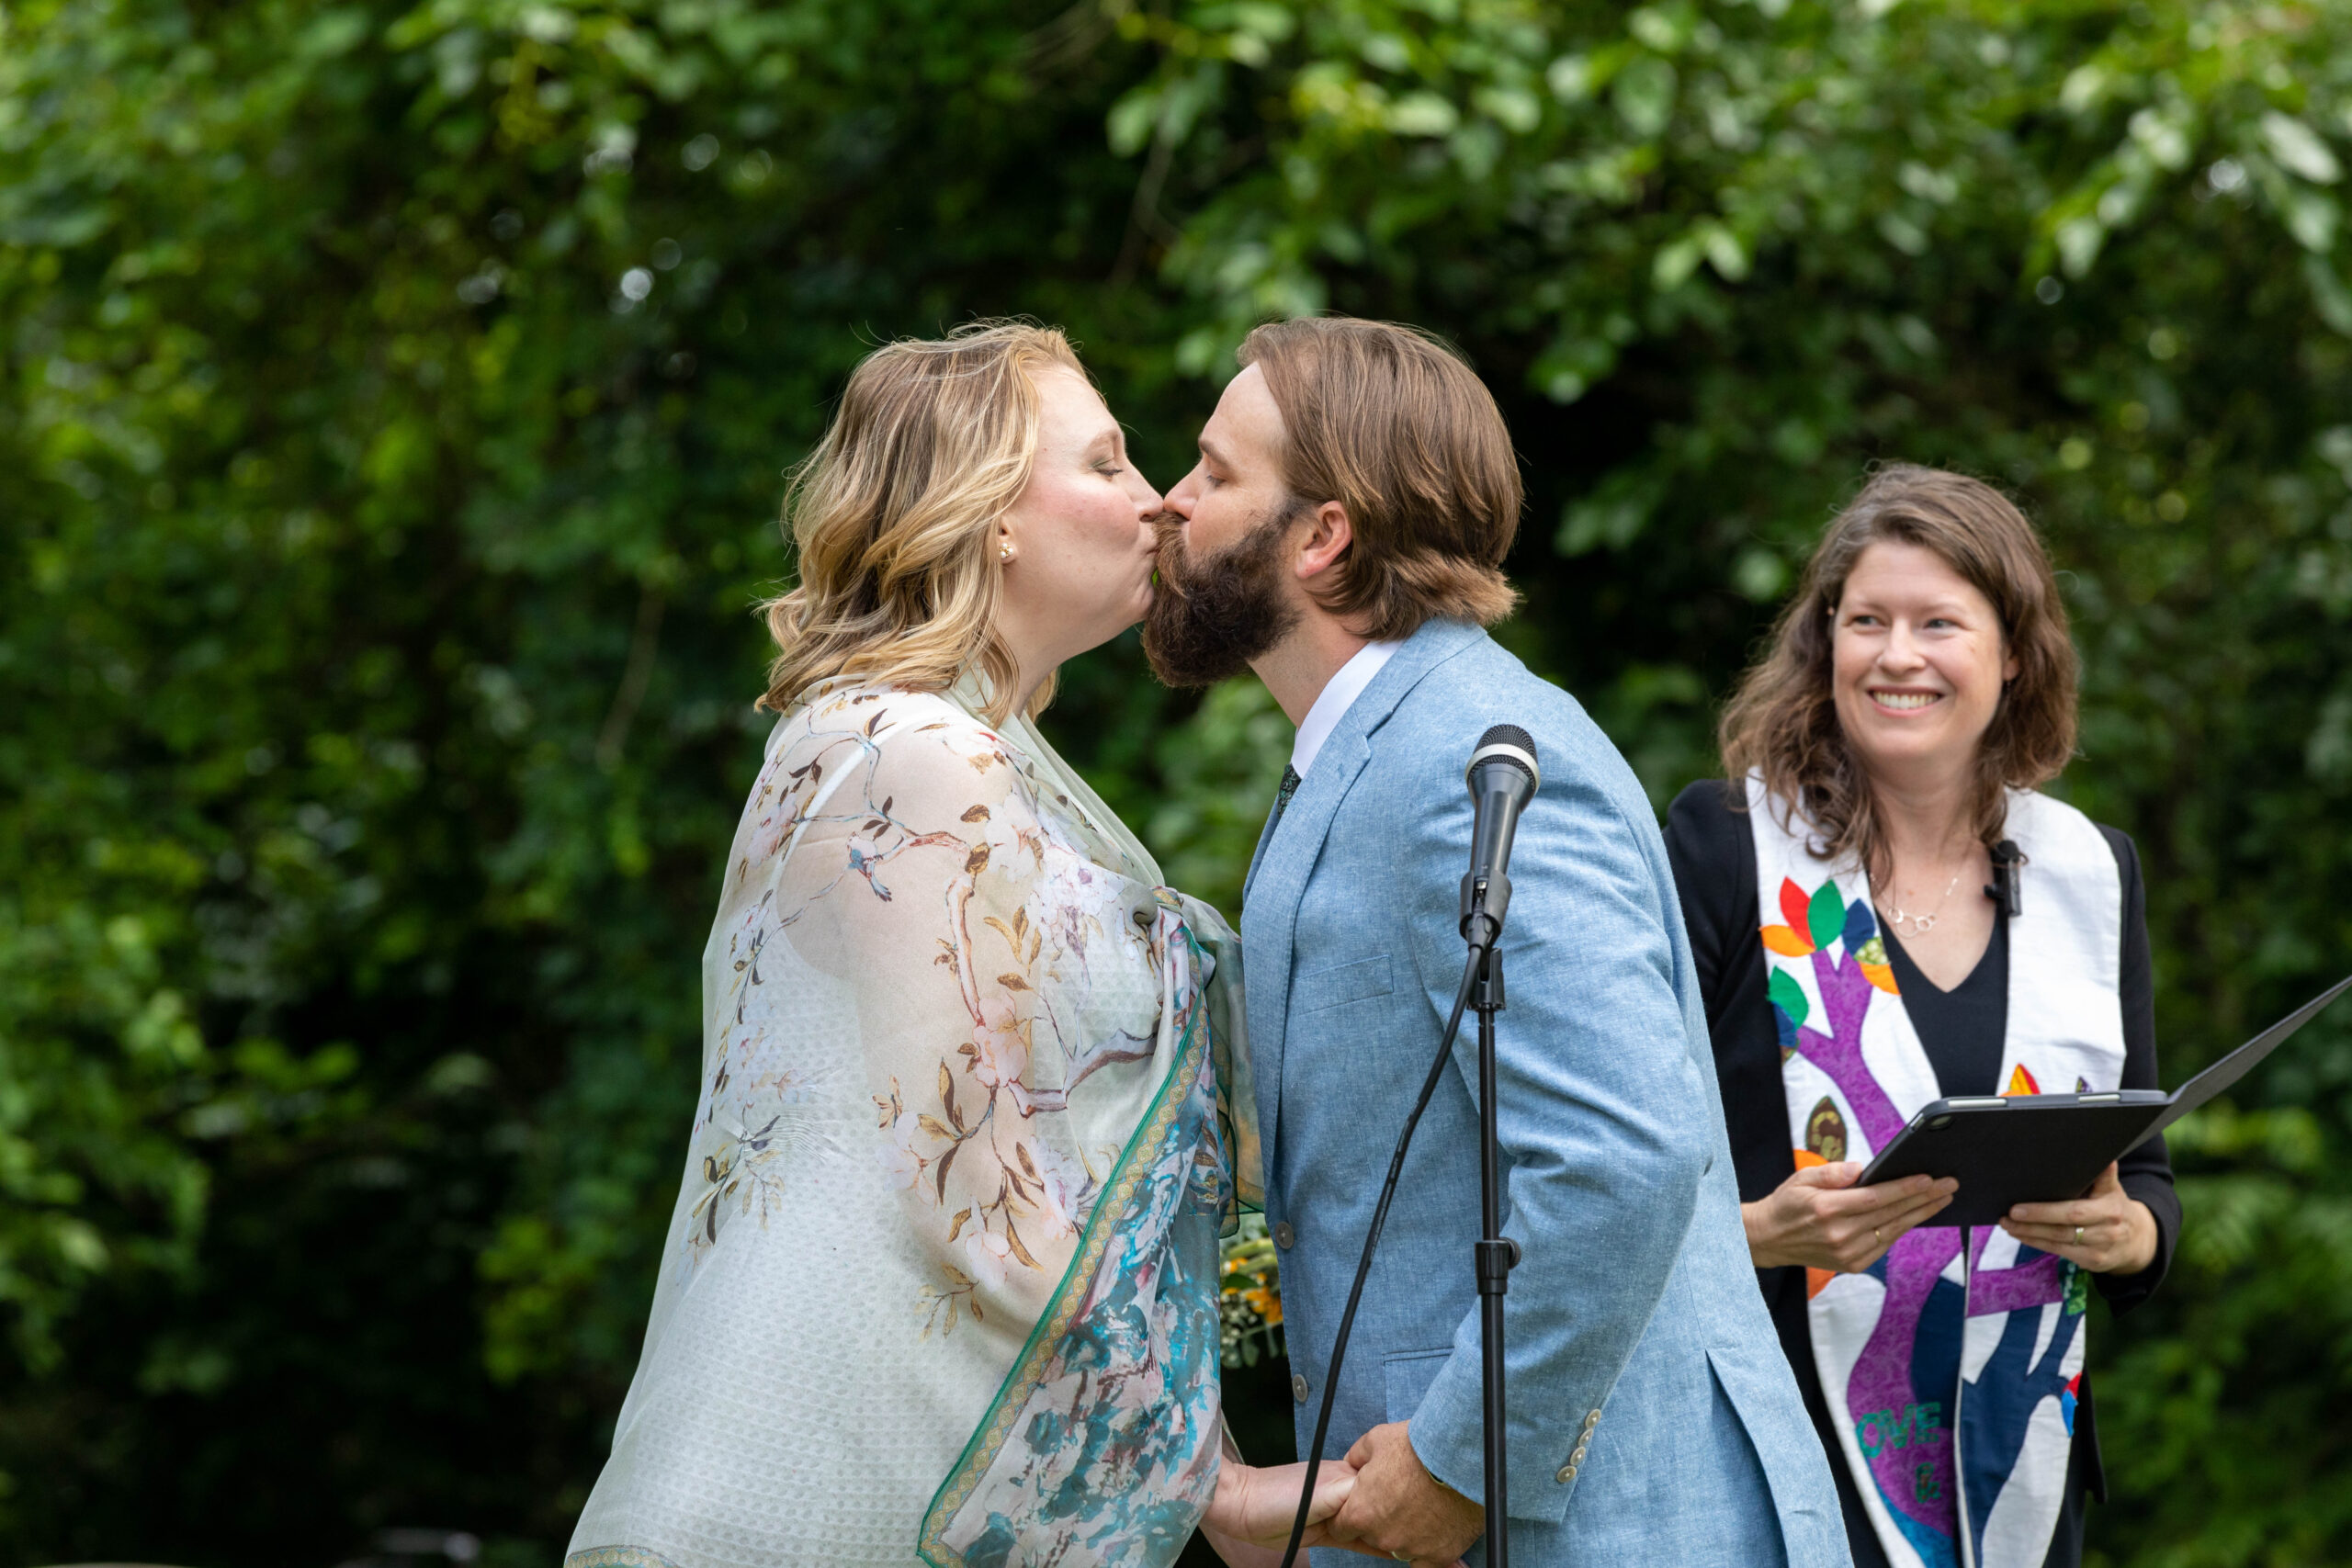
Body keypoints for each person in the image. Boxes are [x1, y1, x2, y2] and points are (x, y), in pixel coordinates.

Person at [564, 322, 1352, 1568]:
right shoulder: (908, 756)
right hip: (805, 1507)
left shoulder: (975, 758)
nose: (1156, 505)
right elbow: (978, 1166)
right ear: (990, 515)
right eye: (1106, 464)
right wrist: (1217, 1483)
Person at [1144, 315, 1848, 1568]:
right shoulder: (1373, 752)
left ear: (1322, 536)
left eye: (1212, 470)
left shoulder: (1473, 757)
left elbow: (1624, 1152)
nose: (1170, 501)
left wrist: (1464, 1460)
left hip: (1619, 1528)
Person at [1662, 465, 2181, 1568]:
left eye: (1938, 623)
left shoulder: (2091, 874)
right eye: (1866, 623)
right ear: (1824, 648)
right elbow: (1621, 1180)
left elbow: (2147, 1183)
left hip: (2017, 1471)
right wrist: (1757, 1235)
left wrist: (2133, 1240)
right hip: (1778, 1474)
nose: (1897, 655)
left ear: (2012, 655)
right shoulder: (1723, 850)